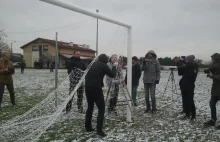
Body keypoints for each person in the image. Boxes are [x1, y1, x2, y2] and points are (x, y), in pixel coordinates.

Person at [85, 54, 117, 137]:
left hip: (87, 87)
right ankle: (99, 130)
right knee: (101, 108)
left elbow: (91, 75)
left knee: (90, 106)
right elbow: (112, 75)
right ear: (105, 59)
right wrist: (114, 66)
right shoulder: (104, 65)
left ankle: (88, 127)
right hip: (95, 88)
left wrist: (100, 82)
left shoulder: (93, 64)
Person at [178, 55, 198, 120]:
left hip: (189, 85)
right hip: (183, 84)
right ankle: (187, 114)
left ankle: (193, 115)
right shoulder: (187, 66)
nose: (186, 61)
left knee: (190, 100)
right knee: (185, 100)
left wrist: (185, 66)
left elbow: (190, 74)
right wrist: (180, 66)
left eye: (187, 60)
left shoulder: (194, 66)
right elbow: (180, 73)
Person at [204, 53, 220, 129]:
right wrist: (211, 75)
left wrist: (213, 76)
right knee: (212, 104)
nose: (211, 60)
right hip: (216, 89)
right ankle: (213, 120)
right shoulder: (216, 65)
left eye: (213, 58)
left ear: (216, 59)